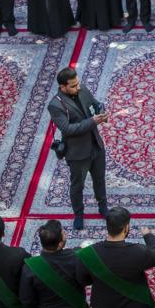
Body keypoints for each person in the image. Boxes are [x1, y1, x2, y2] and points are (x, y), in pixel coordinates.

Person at [48, 65, 110, 230]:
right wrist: (93, 121)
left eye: (78, 83)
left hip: (96, 145)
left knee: (99, 179)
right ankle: (79, 214)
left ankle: (103, 206)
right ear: (63, 87)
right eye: (73, 86)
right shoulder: (55, 105)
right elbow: (67, 129)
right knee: (77, 185)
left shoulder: (82, 90)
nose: (78, 87)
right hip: (77, 153)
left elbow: (96, 104)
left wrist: (102, 111)